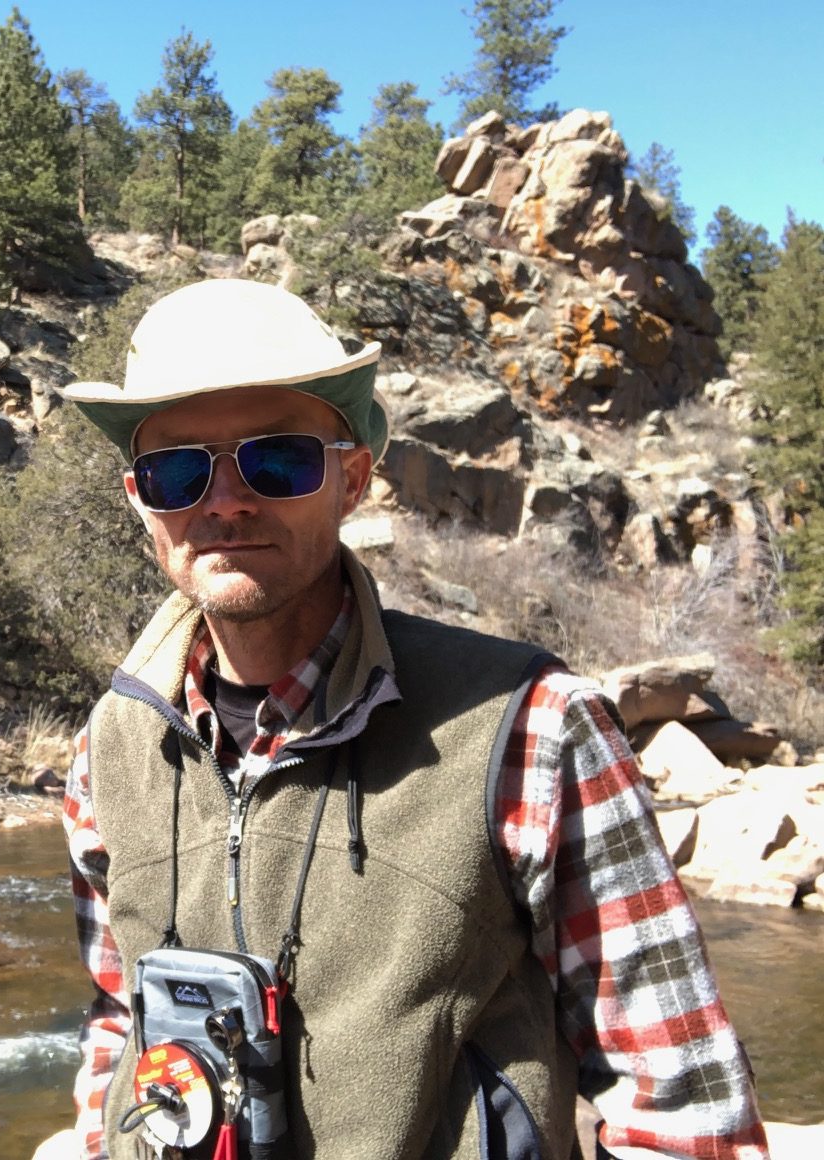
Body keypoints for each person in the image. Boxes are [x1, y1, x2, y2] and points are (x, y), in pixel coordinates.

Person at [58, 279, 769, 1159]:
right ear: (142, 504)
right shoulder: (108, 749)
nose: (227, 500)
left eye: (278, 461)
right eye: (179, 470)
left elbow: (686, 1109)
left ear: (352, 480)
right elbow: (112, 1020)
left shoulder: (535, 729)